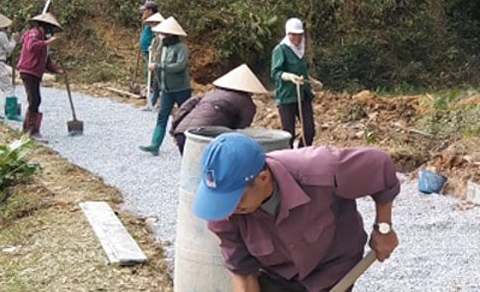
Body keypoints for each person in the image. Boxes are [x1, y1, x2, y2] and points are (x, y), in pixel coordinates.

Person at [193, 131, 400, 292]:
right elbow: (243, 273)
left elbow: (380, 166)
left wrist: (383, 229)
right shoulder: (223, 212)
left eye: (236, 198)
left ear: (263, 178)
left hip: (332, 267)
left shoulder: (320, 170)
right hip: (278, 276)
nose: (228, 208)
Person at [168, 64, 269, 152]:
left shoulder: (211, 93)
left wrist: (174, 128)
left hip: (182, 132)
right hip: (204, 138)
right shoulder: (247, 103)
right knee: (203, 171)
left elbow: (185, 107)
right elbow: (241, 130)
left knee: (190, 169)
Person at [139, 16, 191, 155]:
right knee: (162, 116)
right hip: (166, 89)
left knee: (185, 116)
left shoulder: (181, 48)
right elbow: (158, 60)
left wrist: (159, 66)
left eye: (163, 34)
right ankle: (155, 144)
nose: (161, 36)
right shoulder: (164, 48)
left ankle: (187, 145)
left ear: (171, 35)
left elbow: (179, 66)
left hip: (181, 89)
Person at [16, 11, 63, 140]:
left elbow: (46, 61)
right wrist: (48, 42)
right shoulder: (34, 33)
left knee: (34, 99)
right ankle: (31, 130)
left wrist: (58, 71)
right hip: (28, 70)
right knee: (34, 99)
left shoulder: (43, 38)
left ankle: (29, 129)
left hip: (36, 72)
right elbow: (31, 47)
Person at [271, 17, 316, 146]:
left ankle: (303, 153)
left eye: (299, 35)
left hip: (303, 95)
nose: (296, 39)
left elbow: (302, 73)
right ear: (287, 34)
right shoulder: (280, 50)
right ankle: (288, 159)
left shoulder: (301, 50)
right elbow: (276, 72)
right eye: (293, 35)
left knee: (309, 130)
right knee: (288, 133)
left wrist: (311, 81)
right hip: (287, 96)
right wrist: (289, 76)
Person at [141, 9, 164, 111]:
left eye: (152, 23)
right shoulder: (156, 36)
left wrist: (156, 62)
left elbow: (161, 51)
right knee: (155, 84)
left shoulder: (163, 36)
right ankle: (151, 103)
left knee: (161, 85)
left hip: (161, 64)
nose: (151, 26)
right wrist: (151, 47)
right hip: (155, 62)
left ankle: (161, 105)